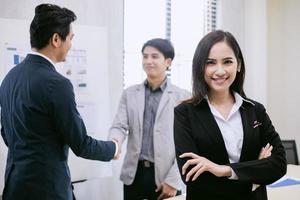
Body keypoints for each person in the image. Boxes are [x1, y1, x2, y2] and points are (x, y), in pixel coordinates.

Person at [0, 4, 120, 200]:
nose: (71, 44)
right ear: (56, 39)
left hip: (14, 187)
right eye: (71, 38)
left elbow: (6, 134)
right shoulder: (57, 84)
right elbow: (81, 144)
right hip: (47, 190)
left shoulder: (9, 78)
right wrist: (113, 148)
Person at [173, 30, 287, 200]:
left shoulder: (256, 110)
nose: (219, 71)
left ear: (238, 65)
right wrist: (255, 177)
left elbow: (279, 163)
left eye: (227, 62)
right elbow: (193, 177)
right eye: (210, 63)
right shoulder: (185, 113)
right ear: (200, 67)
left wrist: (223, 170)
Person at [108, 38, 190, 200]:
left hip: (166, 176)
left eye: (154, 56)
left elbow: (187, 144)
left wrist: (174, 180)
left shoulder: (182, 97)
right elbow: (119, 126)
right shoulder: (130, 93)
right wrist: (114, 144)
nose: (148, 61)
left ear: (168, 62)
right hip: (134, 174)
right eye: (145, 56)